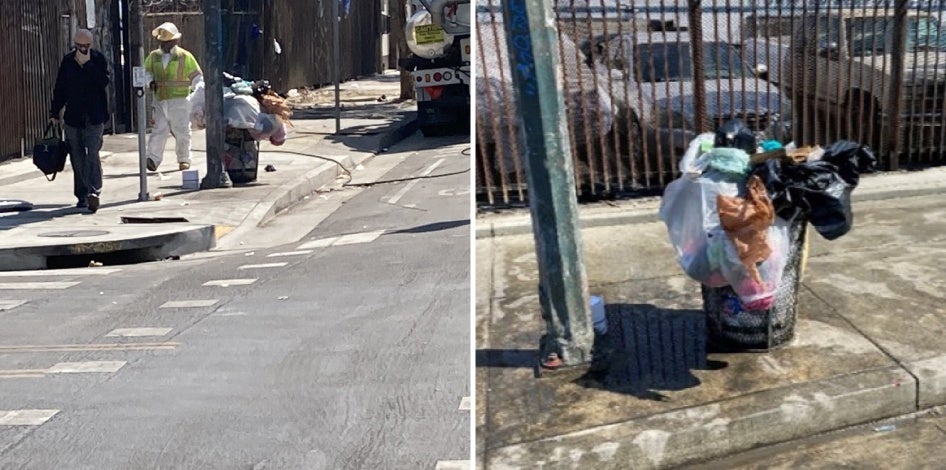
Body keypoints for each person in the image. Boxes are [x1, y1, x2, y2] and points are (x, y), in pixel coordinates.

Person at [49, 28, 110, 213]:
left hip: (94, 116)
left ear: (90, 45)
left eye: (86, 46)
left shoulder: (98, 59)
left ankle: (94, 191)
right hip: (73, 117)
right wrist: (54, 112)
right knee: (76, 157)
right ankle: (82, 195)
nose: (82, 49)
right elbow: (60, 87)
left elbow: (103, 82)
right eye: (79, 46)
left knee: (92, 153)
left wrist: (88, 65)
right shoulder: (68, 61)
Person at [144, 22, 203, 172]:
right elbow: (146, 72)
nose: (165, 45)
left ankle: (184, 159)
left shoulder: (185, 56)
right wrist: (149, 82)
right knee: (159, 129)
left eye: (168, 42)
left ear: (175, 41)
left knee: (182, 130)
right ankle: (153, 159)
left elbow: (197, 77)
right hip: (160, 99)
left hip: (180, 100)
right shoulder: (154, 56)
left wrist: (197, 97)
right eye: (162, 42)